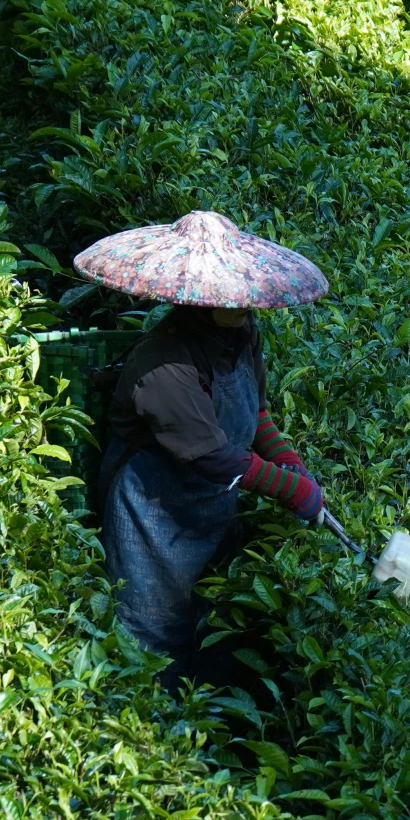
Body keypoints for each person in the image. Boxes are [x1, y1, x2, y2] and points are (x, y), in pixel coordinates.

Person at [71, 211, 332, 690]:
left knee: (211, 621)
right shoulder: (164, 362)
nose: (244, 305)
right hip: (153, 508)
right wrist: (290, 490)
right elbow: (213, 455)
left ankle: (209, 730)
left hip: (213, 500)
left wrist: (290, 462)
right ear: (200, 299)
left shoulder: (239, 332)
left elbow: (254, 415)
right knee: (152, 631)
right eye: (231, 298)